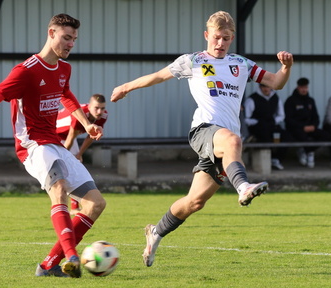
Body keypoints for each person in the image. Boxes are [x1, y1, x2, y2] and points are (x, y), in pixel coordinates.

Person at [110, 11, 293, 267]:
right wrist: (125, 87)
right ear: (207, 35)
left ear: (232, 38)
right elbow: (157, 76)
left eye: (226, 38)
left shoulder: (242, 64)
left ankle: (156, 232)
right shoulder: (193, 61)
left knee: (195, 202)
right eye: (217, 37)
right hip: (204, 130)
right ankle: (242, 188)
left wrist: (286, 68)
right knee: (233, 141)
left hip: (223, 144)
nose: (220, 43)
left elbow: (276, 83)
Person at [0, 13, 106, 278]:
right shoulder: (25, 71)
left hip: (54, 144)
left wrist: (85, 122)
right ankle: (71, 256)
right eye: (66, 38)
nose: (71, 44)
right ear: (51, 33)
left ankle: (48, 266)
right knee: (58, 190)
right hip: (33, 146)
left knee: (95, 204)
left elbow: (65, 95)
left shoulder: (65, 69)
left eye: (74, 39)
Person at [56, 93, 108, 214]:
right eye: (96, 108)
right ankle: (64, 206)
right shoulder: (81, 114)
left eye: (102, 108)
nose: (100, 111)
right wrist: (63, 157)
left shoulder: (103, 116)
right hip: (55, 135)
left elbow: (91, 136)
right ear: (89, 106)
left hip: (69, 137)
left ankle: (74, 207)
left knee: (76, 164)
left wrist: (79, 154)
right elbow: (70, 137)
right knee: (66, 167)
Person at [284, 77, 331, 168]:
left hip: (310, 127)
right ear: (298, 87)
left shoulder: (310, 101)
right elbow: (288, 119)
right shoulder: (291, 101)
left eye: (305, 87)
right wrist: (302, 127)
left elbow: (316, 117)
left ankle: (308, 151)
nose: (304, 89)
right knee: (303, 137)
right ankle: (307, 152)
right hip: (296, 129)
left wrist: (314, 126)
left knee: (326, 135)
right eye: (302, 87)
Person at [245, 83, 293, 170]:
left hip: (272, 125)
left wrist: (274, 121)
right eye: (264, 87)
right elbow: (246, 118)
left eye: (268, 86)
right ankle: (268, 160)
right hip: (257, 127)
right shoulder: (252, 99)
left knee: (287, 137)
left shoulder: (275, 98)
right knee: (265, 136)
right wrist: (258, 122)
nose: (266, 89)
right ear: (260, 87)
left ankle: (277, 159)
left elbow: (281, 115)